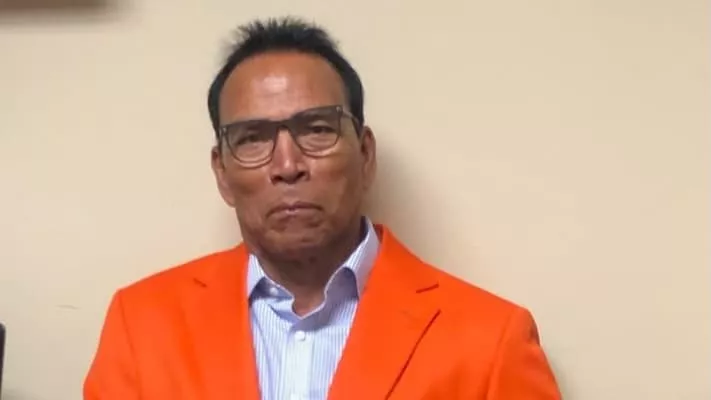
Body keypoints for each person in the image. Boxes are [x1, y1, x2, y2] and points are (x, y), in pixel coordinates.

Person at [83, 17, 561, 400]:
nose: (287, 166)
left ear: (365, 155)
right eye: (252, 139)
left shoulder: (490, 339)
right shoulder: (141, 325)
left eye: (316, 130)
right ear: (222, 173)